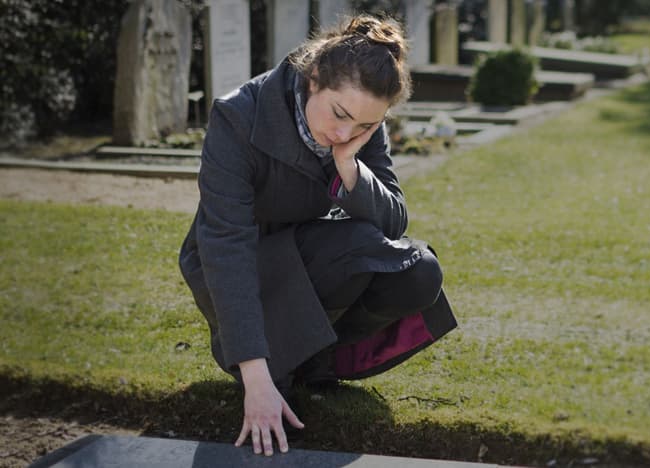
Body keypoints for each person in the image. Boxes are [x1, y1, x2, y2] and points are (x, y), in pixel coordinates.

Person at [178, 14, 457, 458]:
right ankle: (273, 367)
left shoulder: (362, 120)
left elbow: (393, 221)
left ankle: (314, 361)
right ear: (312, 80)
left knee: (418, 272)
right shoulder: (236, 117)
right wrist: (255, 378)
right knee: (347, 256)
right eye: (339, 115)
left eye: (365, 126)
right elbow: (226, 248)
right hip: (240, 264)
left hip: (312, 251)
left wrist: (349, 165)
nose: (346, 133)